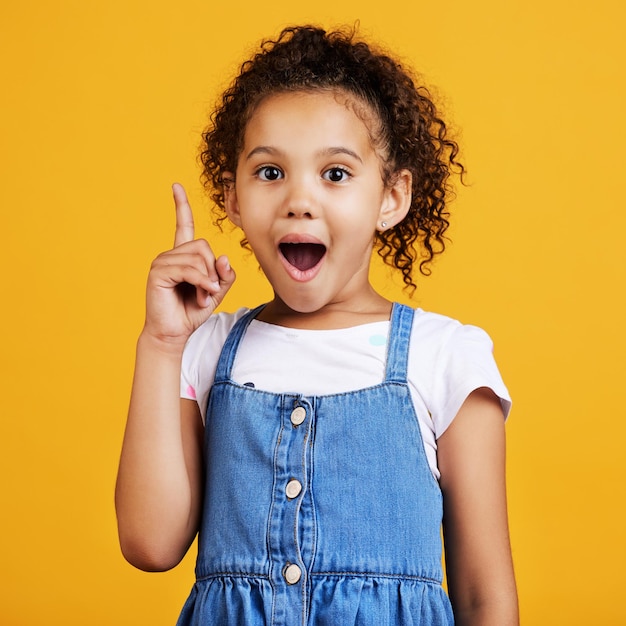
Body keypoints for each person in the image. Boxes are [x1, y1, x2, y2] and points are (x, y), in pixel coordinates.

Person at [115, 25, 519, 625]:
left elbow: (486, 597)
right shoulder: (205, 349)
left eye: (335, 174)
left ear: (392, 196)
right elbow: (150, 544)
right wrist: (161, 343)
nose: (299, 200)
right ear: (232, 196)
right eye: (270, 173)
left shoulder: (446, 358)